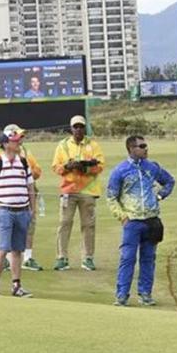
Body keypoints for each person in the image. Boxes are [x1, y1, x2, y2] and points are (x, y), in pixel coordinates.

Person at [107, 135, 175, 307]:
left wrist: (160, 195)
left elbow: (169, 181)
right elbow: (111, 197)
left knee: (148, 258)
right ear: (131, 149)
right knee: (127, 258)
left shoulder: (151, 167)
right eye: (142, 146)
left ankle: (145, 293)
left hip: (151, 220)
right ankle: (122, 295)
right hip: (132, 221)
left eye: (145, 145)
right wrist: (122, 217)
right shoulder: (120, 171)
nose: (146, 149)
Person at [0, 126, 35, 297]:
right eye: (15, 140)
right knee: (3, 248)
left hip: (22, 211)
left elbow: (30, 187)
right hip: (4, 211)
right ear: (5, 144)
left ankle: (16, 286)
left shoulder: (23, 162)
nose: (19, 142)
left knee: (18, 250)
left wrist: (31, 210)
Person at [52, 115, 106, 271]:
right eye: (75, 127)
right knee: (64, 223)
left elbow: (100, 166)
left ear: (85, 128)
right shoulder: (62, 145)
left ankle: (87, 258)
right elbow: (56, 167)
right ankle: (62, 257)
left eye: (81, 126)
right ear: (71, 128)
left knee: (88, 225)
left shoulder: (93, 145)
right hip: (68, 190)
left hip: (88, 191)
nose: (78, 129)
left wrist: (86, 168)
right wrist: (68, 166)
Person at [0, 124, 45, 273]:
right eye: (17, 138)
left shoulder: (25, 154)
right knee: (6, 237)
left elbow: (37, 172)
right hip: (5, 201)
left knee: (28, 230)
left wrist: (24, 171)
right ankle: (5, 263)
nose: (20, 141)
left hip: (24, 197)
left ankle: (27, 258)